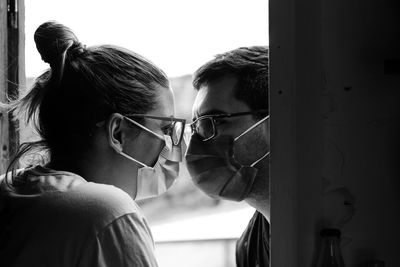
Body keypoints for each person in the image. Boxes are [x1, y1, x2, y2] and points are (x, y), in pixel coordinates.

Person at [0, 21, 186, 267]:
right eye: (164, 128)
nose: (171, 143)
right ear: (118, 133)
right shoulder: (108, 214)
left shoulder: (8, 187)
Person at [185, 46, 270, 267]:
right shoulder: (248, 245)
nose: (196, 142)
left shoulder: (348, 225)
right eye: (196, 127)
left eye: (213, 121)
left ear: (272, 123)